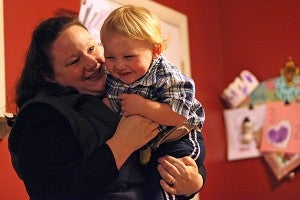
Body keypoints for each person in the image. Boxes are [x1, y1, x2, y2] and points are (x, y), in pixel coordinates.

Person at [8, 15, 206, 199]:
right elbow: (51, 192)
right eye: (74, 61)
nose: (92, 62)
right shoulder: (40, 114)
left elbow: (178, 142)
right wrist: (121, 145)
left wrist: (195, 181)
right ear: (49, 76)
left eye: (92, 48)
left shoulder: (125, 86)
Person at [100, 5, 205, 199]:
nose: (119, 65)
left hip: (179, 138)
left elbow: (178, 115)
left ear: (155, 50)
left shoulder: (167, 76)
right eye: (110, 57)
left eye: (129, 56)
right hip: (149, 147)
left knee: (163, 185)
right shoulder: (112, 76)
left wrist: (142, 107)